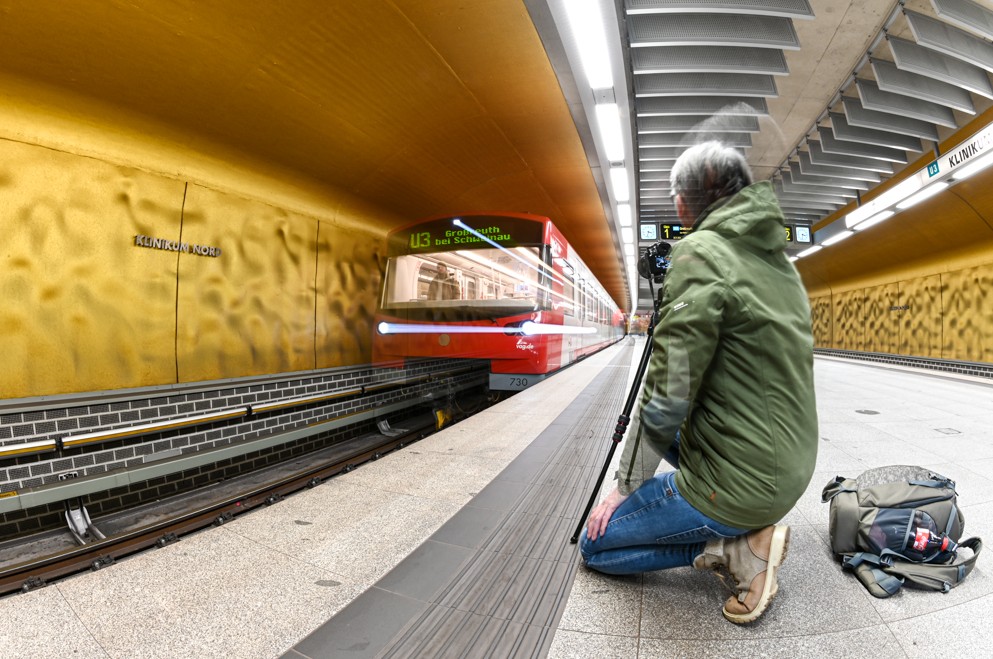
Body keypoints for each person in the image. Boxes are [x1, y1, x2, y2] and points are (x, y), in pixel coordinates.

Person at [580, 140, 818, 624]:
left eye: (676, 196)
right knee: (663, 435)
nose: (674, 206)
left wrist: (624, 488)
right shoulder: (781, 265)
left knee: (595, 546)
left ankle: (733, 549)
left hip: (745, 482)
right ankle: (736, 528)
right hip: (790, 463)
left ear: (689, 199)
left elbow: (670, 390)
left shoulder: (702, 253)